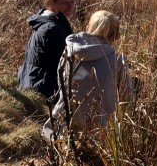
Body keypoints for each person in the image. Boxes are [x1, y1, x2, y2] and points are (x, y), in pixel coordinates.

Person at [42, 10, 134, 139]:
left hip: (63, 124)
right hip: (99, 131)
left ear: (87, 28)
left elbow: (61, 82)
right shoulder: (118, 60)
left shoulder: (69, 51)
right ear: (116, 36)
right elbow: (128, 97)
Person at [18, 0, 76, 98]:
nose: (70, 7)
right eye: (64, 3)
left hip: (32, 79)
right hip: (42, 86)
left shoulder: (46, 20)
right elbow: (62, 63)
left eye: (73, 2)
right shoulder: (51, 28)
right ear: (51, 3)